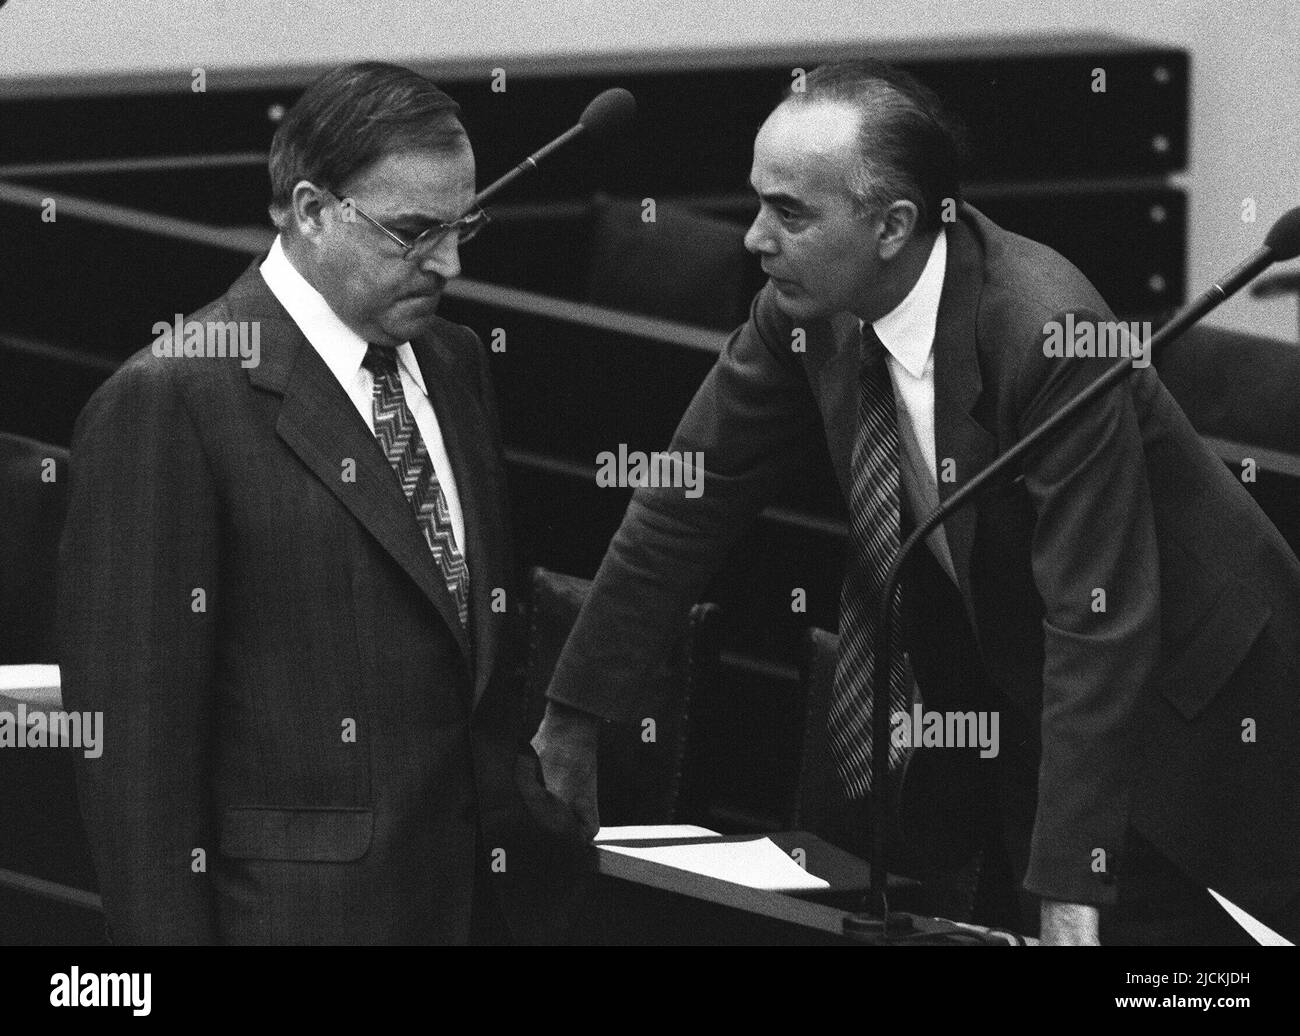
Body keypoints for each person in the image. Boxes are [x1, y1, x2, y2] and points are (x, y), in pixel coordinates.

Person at [533, 60, 1300, 946]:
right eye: (758, 203)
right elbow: (682, 502)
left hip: (1196, 704)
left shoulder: (1047, 333)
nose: (753, 239)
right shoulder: (807, 310)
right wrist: (573, 716)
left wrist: (1071, 889)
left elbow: (1102, 617)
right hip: (1030, 693)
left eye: (790, 213)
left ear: (894, 225)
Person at [59, 61, 585, 945]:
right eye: (416, 233)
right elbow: (136, 759)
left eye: (465, 227)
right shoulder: (172, 400)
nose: (450, 263)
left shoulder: (453, 363)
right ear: (310, 212)